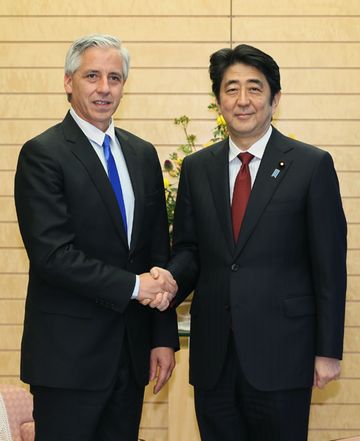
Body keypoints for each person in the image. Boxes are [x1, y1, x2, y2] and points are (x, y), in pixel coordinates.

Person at [166, 44, 347, 441]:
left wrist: (328, 350)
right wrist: (168, 280)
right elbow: (189, 251)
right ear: (218, 100)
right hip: (214, 358)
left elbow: (329, 266)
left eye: (254, 88)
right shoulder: (197, 169)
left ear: (274, 99)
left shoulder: (311, 165)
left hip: (284, 355)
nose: (242, 100)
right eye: (231, 89)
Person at [14, 34, 178, 441]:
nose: (104, 88)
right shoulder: (43, 154)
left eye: (115, 78)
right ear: (69, 82)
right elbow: (53, 255)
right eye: (92, 76)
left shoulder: (141, 154)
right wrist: (136, 286)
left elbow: (157, 250)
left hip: (131, 354)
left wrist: (163, 339)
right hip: (68, 361)